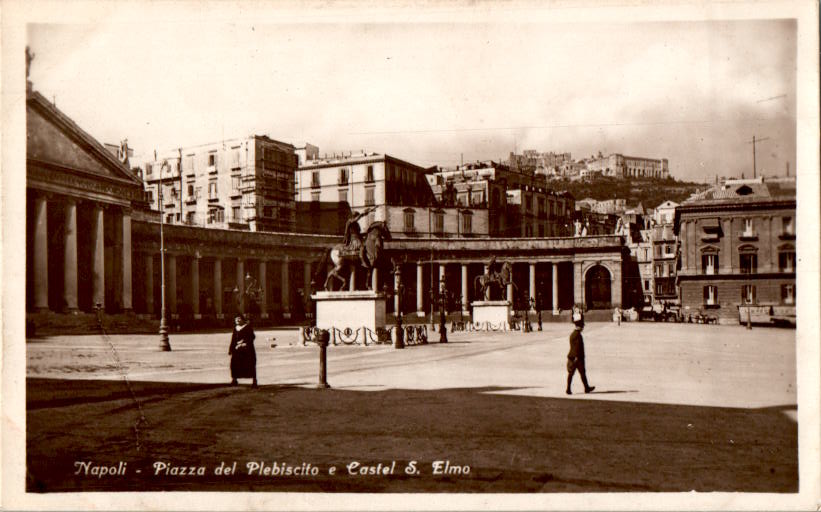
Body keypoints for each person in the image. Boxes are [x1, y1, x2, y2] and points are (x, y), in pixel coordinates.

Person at [566, 318, 595, 395]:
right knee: (581, 373)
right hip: (577, 358)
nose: (583, 328)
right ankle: (586, 388)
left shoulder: (572, 334)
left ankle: (569, 389)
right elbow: (577, 347)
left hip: (573, 357)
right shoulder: (578, 335)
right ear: (580, 326)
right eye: (582, 326)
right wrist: (577, 357)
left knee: (572, 373)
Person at [229, 314, 257, 387]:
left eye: (239, 319)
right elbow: (233, 339)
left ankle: (254, 381)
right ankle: (234, 380)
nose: (237, 320)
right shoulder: (236, 328)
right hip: (237, 350)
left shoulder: (248, 327)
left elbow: (252, 337)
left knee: (250, 365)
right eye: (236, 319)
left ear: (242, 319)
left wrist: (244, 343)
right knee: (234, 364)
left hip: (247, 350)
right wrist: (231, 349)